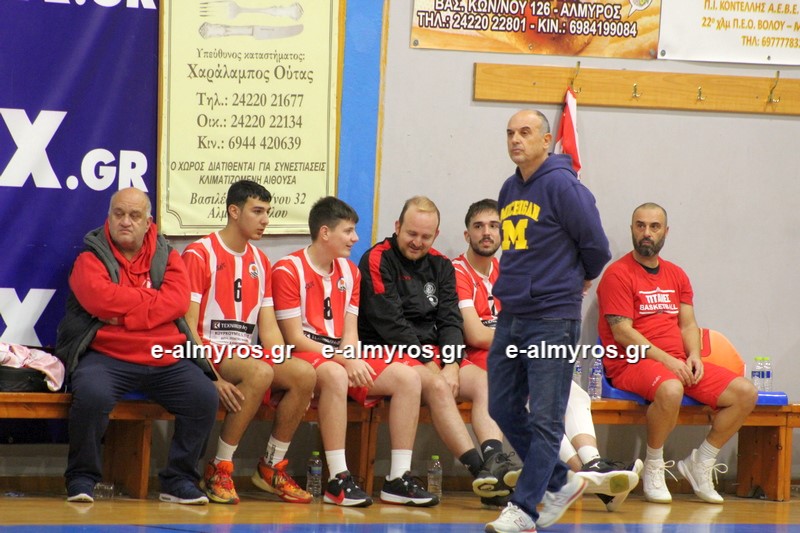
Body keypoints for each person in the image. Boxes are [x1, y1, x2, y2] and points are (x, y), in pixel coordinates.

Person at [454, 199, 640, 514]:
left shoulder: (506, 270)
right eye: (479, 226)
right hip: (485, 363)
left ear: (503, 233)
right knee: (541, 402)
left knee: (574, 394)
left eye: (494, 226)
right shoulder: (457, 271)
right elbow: (476, 334)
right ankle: (582, 476)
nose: (487, 233)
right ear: (467, 234)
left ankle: (592, 464)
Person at [485, 109, 612, 533]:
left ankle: (524, 508)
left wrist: (575, 280)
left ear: (546, 139)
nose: (515, 139)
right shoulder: (509, 188)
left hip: (552, 317)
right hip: (512, 315)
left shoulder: (564, 186)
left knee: (546, 419)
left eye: (525, 132)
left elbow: (596, 247)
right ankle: (561, 481)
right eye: (510, 133)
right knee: (501, 406)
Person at [56, 187, 219, 505]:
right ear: (109, 217)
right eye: (118, 214)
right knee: (91, 395)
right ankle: (81, 478)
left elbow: (177, 302)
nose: (125, 221)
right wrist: (152, 305)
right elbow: (100, 300)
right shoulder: (90, 258)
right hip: (107, 356)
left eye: (134, 215)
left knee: (203, 397)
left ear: (148, 222)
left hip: (164, 356)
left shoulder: (168, 256)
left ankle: (179, 480)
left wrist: (123, 316)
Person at [358, 195, 518, 507]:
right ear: (397, 227)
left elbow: (450, 321)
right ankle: (481, 474)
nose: (417, 242)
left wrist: (453, 363)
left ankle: (494, 460)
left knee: (486, 382)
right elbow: (392, 324)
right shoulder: (377, 259)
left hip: (432, 352)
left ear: (436, 235)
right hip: (387, 351)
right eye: (411, 234)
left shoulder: (441, 265)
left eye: (426, 236)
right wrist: (435, 367)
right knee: (438, 385)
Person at [596, 202, 758, 505]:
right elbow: (622, 333)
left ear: (665, 232)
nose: (647, 232)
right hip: (632, 362)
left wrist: (694, 355)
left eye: (654, 226)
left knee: (745, 393)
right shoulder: (617, 274)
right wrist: (668, 361)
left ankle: (701, 462)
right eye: (640, 225)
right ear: (632, 229)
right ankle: (654, 466)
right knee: (671, 388)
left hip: (676, 363)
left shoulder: (677, 275)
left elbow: (688, 325)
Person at [272, 196, 429, 507]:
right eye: (348, 231)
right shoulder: (288, 269)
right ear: (325, 232)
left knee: (408, 378)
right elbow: (293, 339)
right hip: (303, 355)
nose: (355, 238)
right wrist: (343, 359)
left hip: (338, 356)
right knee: (335, 374)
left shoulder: (351, 272)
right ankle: (338, 478)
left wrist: (352, 356)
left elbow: (350, 331)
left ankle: (398, 478)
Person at [182, 180, 316, 505]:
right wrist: (211, 375)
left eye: (267, 212)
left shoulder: (260, 260)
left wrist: (290, 371)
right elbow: (186, 325)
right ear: (234, 211)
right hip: (209, 350)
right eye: (257, 211)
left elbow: (269, 331)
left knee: (304, 373)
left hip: (244, 353)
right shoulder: (199, 253)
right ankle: (219, 467)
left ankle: (271, 466)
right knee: (260, 371)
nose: (265, 220)